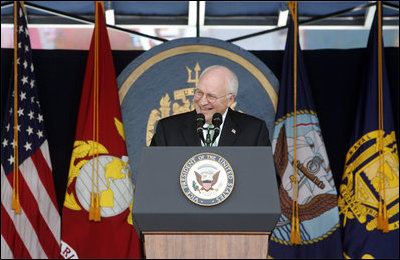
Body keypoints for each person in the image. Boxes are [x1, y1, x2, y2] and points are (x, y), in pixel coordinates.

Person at [150, 65, 270, 146]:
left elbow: (267, 179)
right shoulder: (168, 129)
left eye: (211, 96)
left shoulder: (254, 130)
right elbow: (151, 178)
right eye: (199, 93)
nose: (202, 102)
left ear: (230, 99)